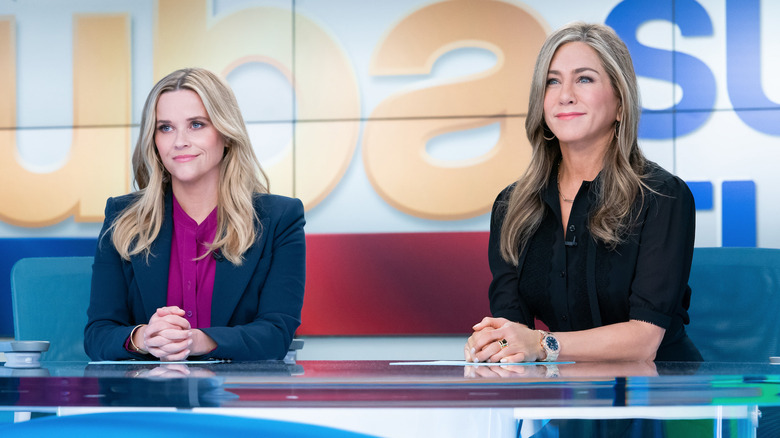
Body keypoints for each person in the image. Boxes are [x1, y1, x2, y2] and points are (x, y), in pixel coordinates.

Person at [465, 22, 702, 364]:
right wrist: (493, 344)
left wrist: (543, 344)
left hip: (662, 397)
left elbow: (644, 340)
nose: (565, 95)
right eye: (553, 81)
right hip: (568, 393)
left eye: (584, 79)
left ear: (621, 103)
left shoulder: (662, 196)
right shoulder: (512, 206)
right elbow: (513, 326)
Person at [85, 68, 305, 362]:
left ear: (226, 134)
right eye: (165, 127)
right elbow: (98, 334)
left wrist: (197, 341)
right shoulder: (123, 217)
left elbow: (276, 334)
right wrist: (144, 338)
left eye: (196, 124)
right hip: (146, 397)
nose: (179, 141)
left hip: (239, 398)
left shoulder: (280, 219)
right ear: (154, 141)